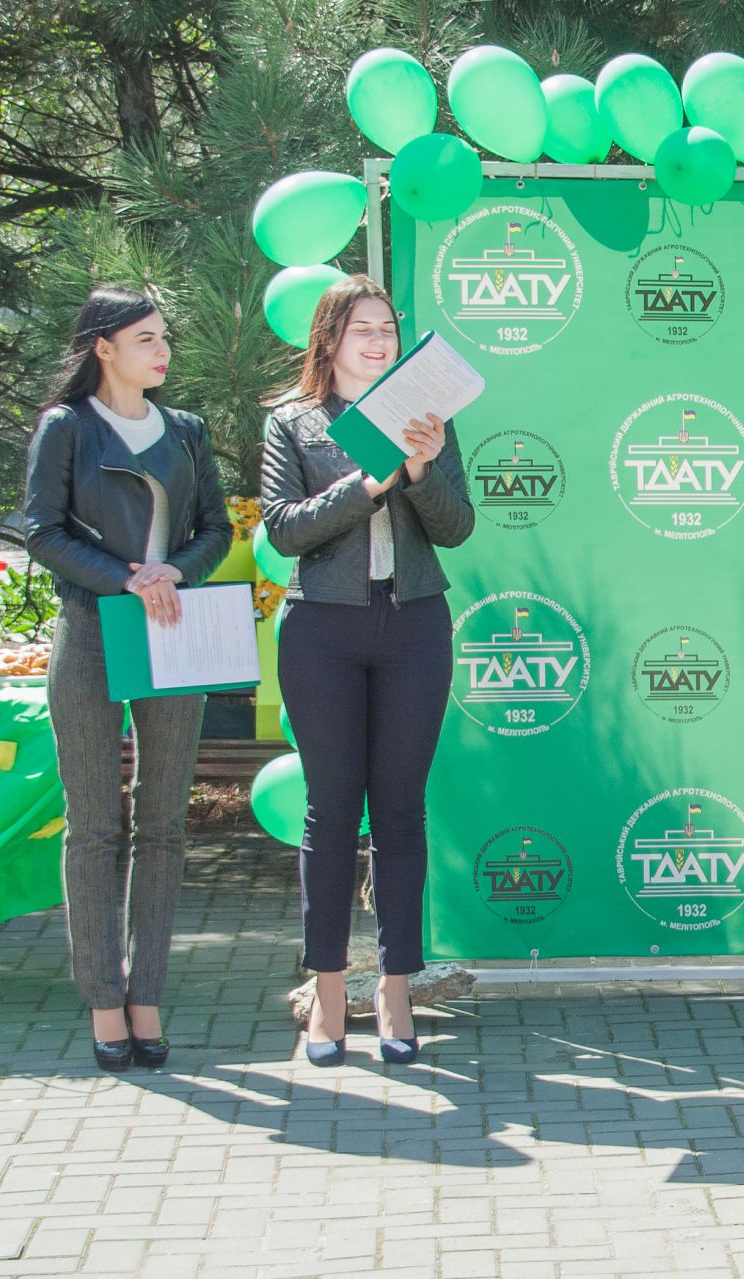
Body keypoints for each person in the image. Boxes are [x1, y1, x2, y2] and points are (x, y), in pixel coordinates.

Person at [259, 275, 474, 1066]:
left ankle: (394, 988)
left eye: (388, 327)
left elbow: (458, 527)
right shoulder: (294, 422)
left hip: (414, 623)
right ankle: (325, 990)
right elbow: (285, 530)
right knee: (330, 813)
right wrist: (370, 481)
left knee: (401, 813)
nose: (380, 340)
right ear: (330, 340)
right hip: (323, 628)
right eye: (363, 329)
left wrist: (421, 469)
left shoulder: (430, 418)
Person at [23, 284, 233, 1071]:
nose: (163, 349)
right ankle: (104, 1003)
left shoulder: (187, 431)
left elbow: (216, 528)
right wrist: (126, 579)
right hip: (90, 633)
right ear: (103, 347)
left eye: (164, 336)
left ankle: (147, 996)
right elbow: (41, 530)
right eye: (147, 338)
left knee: (163, 826)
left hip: (174, 636)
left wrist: (174, 570)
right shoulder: (66, 427)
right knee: (93, 827)